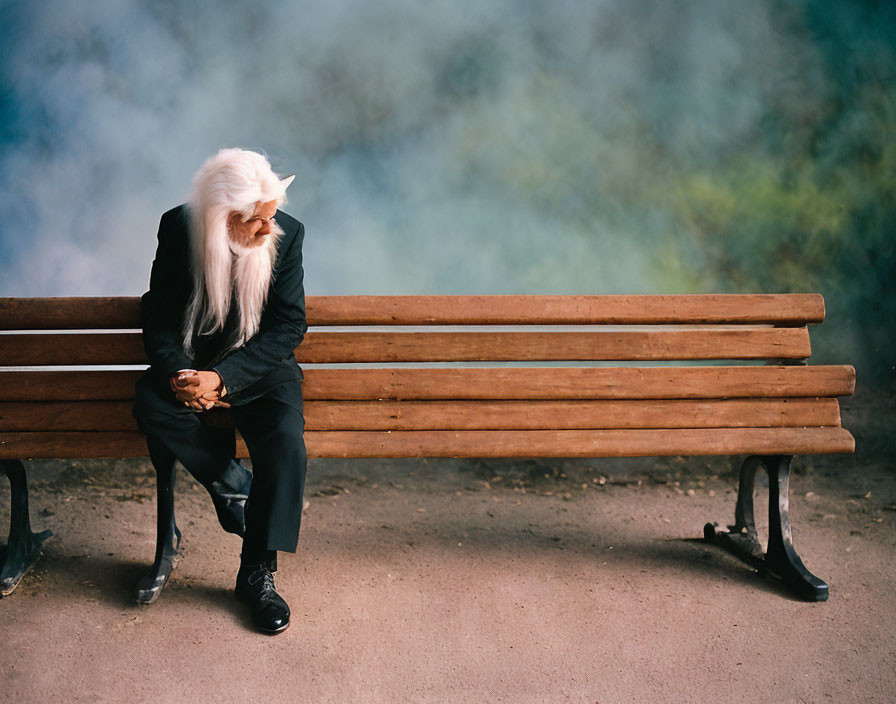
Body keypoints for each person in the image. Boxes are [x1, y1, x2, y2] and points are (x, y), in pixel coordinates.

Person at [132, 148, 307, 634]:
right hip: (192, 364)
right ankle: (229, 482)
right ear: (226, 216)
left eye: (271, 217)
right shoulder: (179, 227)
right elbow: (160, 310)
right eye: (257, 221)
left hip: (258, 369)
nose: (268, 229)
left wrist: (226, 378)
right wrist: (178, 375)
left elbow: (289, 325)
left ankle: (258, 574)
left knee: (286, 439)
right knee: (150, 403)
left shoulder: (285, 233)